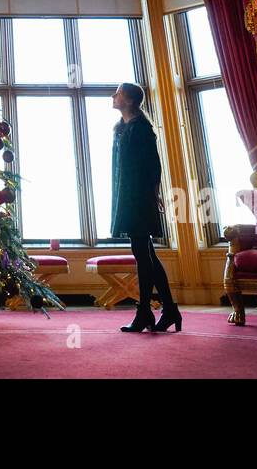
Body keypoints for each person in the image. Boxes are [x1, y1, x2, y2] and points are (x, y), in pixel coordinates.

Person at [110, 82, 181, 334]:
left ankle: (145, 312)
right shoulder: (121, 129)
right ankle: (169, 310)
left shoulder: (141, 129)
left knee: (142, 254)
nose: (113, 96)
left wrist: (154, 192)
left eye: (117, 93)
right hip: (127, 197)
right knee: (147, 254)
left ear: (129, 100)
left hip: (139, 197)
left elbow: (154, 166)